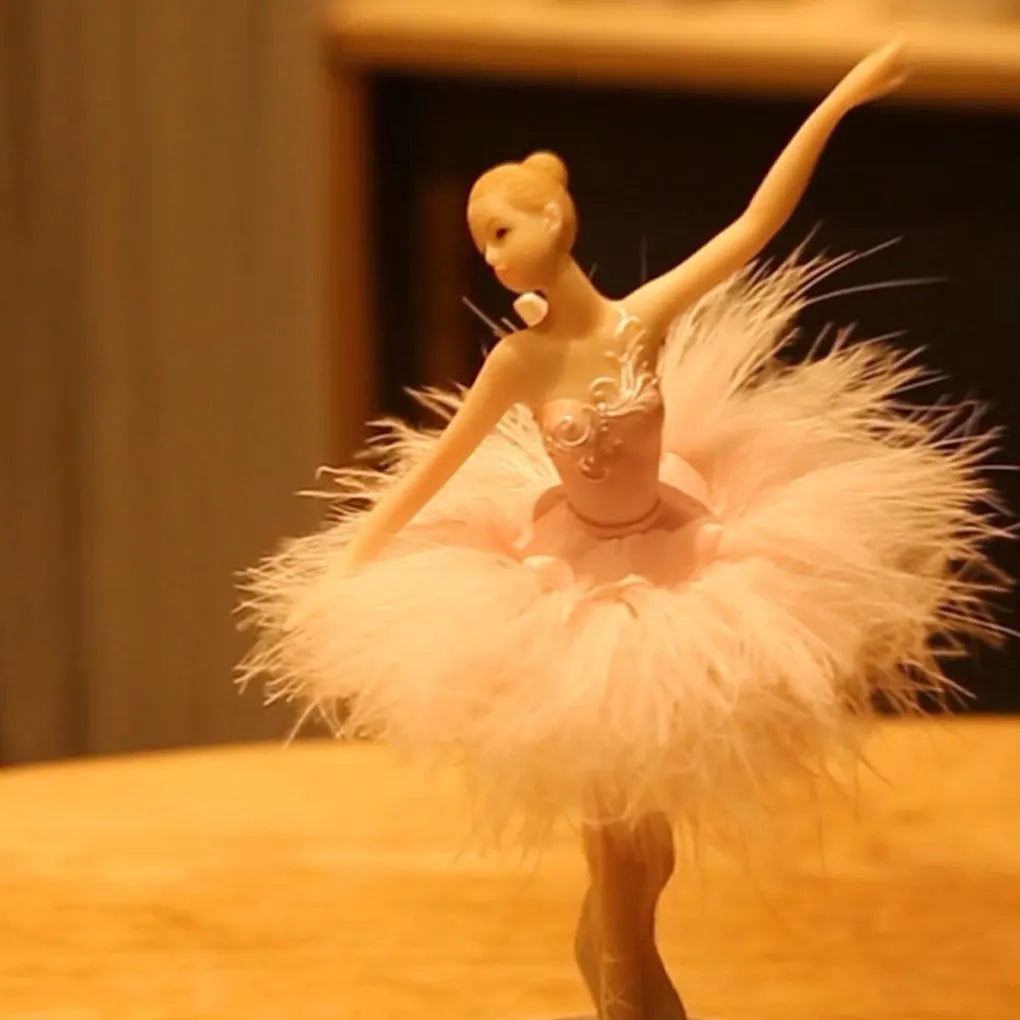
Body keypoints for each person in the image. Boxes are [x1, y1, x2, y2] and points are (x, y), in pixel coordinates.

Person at [239, 43, 1002, 1020]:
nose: (492, 257)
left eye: (501, 232)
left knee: (648, 851)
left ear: (555, 222)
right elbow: (438, 464)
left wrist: (842, 99)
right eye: (481, 242)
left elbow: (755, 225)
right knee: (619, 858)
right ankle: (628, 990)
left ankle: (615, 964)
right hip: (575, 586)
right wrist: (355, 553)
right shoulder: (519, 363)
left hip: (673, 559)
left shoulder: (636, 324)